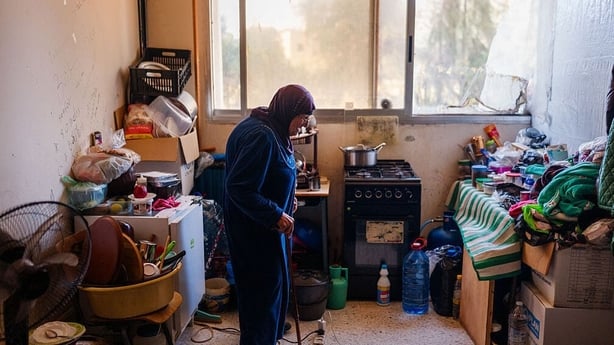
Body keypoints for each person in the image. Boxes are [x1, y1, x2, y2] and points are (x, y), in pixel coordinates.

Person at [223, 84, 316, 344]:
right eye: (302, 119)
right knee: (261, 292)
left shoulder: (272, 125)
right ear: (289, 111)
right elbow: (239, 187)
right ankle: (260, 337)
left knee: (273, 287)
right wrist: (276, 213)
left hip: (269, 228)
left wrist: (289, 199)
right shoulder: (261, 136)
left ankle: (270, 331)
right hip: (255, 232)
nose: (302, 126)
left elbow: (272, 175)